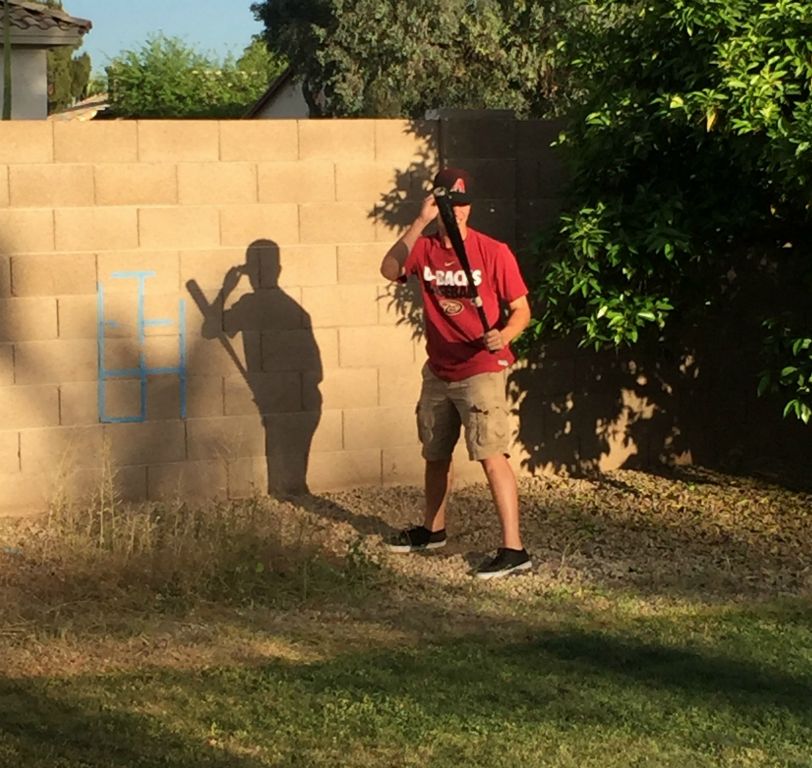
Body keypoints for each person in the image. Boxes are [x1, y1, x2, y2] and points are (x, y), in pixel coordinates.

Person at [379, 167, 532, 579]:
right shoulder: (425, 249)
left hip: (480, 367)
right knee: (435, 452)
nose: (458, 213)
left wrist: (503, 334)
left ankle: (514, 548)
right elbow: (389, 269)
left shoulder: (492, 251)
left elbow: (521, 310)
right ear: (438, 205)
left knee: (490, 453)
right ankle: (433, 530)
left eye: (463, 205)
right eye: (450, 205)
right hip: (439, 369)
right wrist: (420, 221)